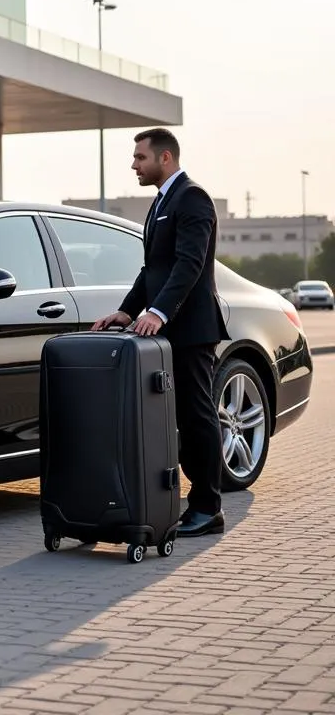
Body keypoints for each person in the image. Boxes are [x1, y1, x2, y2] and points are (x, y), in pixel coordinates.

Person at [92, 128, 228, 538]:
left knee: (197, 416)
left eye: (140, 157)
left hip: (191, 330)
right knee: (180, 418)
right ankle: (193, 503)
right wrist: (126, 311)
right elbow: (153, 269)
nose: (134, 164)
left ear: (164, 158)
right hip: (169, 330)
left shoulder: (192, 198)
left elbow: (189, 264)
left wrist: (159, 312)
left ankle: (208, 508)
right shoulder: (161, 203)